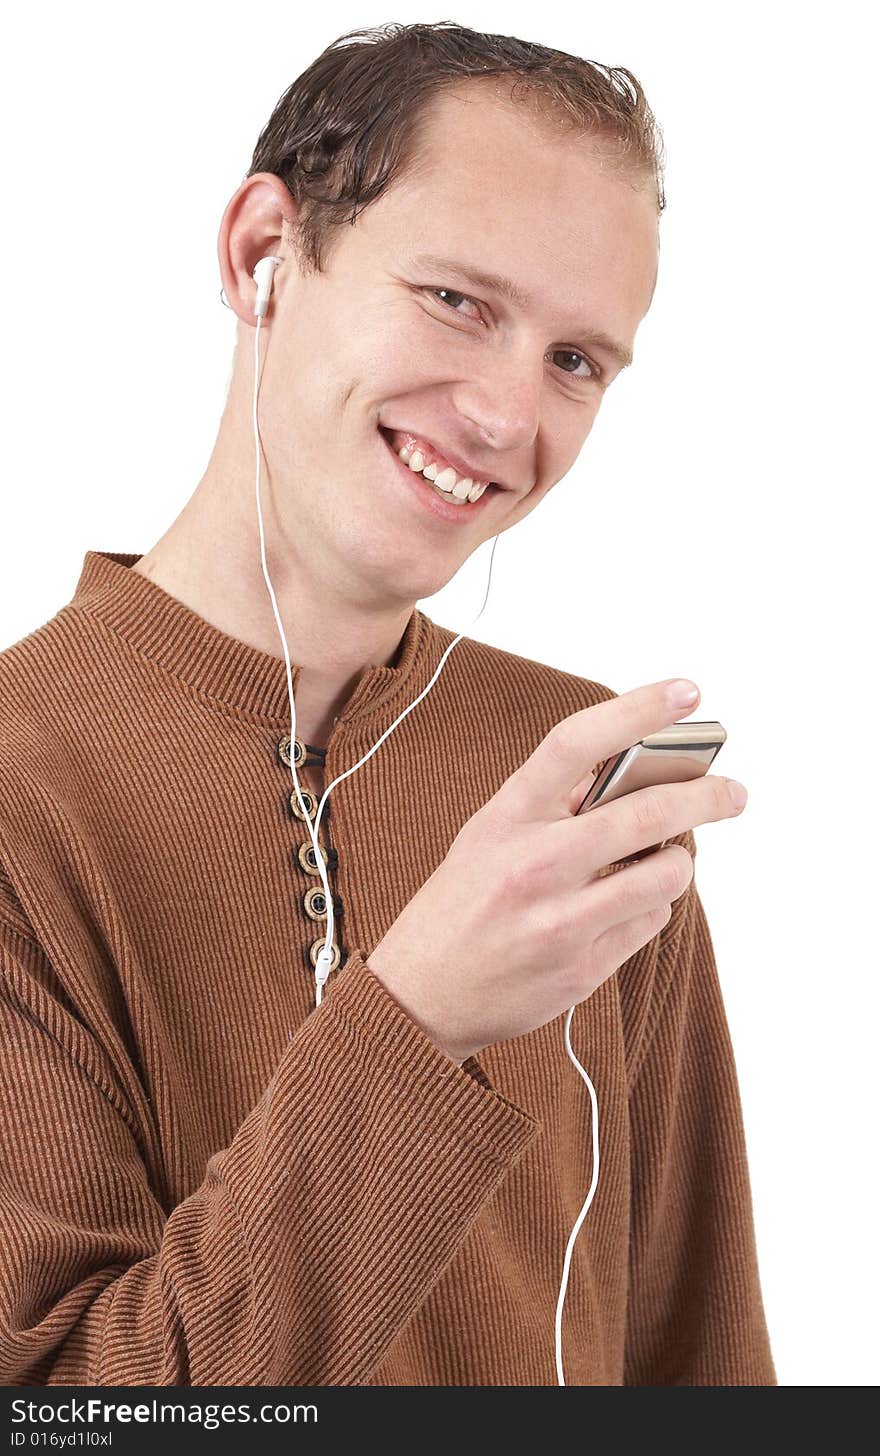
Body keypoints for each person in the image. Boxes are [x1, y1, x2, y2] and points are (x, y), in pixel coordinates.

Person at [0, 21, 776, 1386]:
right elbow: (63, 1405)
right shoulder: (24, 785)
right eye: (458, 301)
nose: (502, 414)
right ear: (262, 257)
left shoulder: (584, 782)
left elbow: (704, 1363)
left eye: (576, 361)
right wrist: (417, 1021)